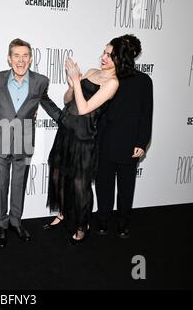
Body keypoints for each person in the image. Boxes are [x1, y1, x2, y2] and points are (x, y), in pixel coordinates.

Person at [45, 36, 136, 244]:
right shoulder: (92, 72)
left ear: (119, 59)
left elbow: (85, 108)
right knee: (60, 175)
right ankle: (64, 213)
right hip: (66, 130)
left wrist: (77, 81)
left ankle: (82, 225)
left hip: (83, 137)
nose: (103, 57)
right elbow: (68, 101)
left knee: (80, 184)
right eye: (104, 52)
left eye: (109, 55)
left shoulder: (113, 83)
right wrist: (71, 85)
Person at [0, 38, 61, 248]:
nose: (20, 60)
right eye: (16, 56)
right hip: (0, 138)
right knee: (0, 185)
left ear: (30, 59)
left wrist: (66, 120)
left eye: (25, 56)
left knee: (19, 184)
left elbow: (46, 102)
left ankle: (16, 222)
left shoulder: (40, 81)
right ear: (9, 58)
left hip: (25, 139)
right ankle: (1, 225)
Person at [95, 34, 153, 239]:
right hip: (105, 139)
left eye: (111, 53)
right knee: (103, 185)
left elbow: (147, 114)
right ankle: (102, 221)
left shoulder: (144, 80)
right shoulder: (107, 77)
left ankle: (123, 223)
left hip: (130, 143)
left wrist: (142, 142)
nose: (105, 56)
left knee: (127, 187)